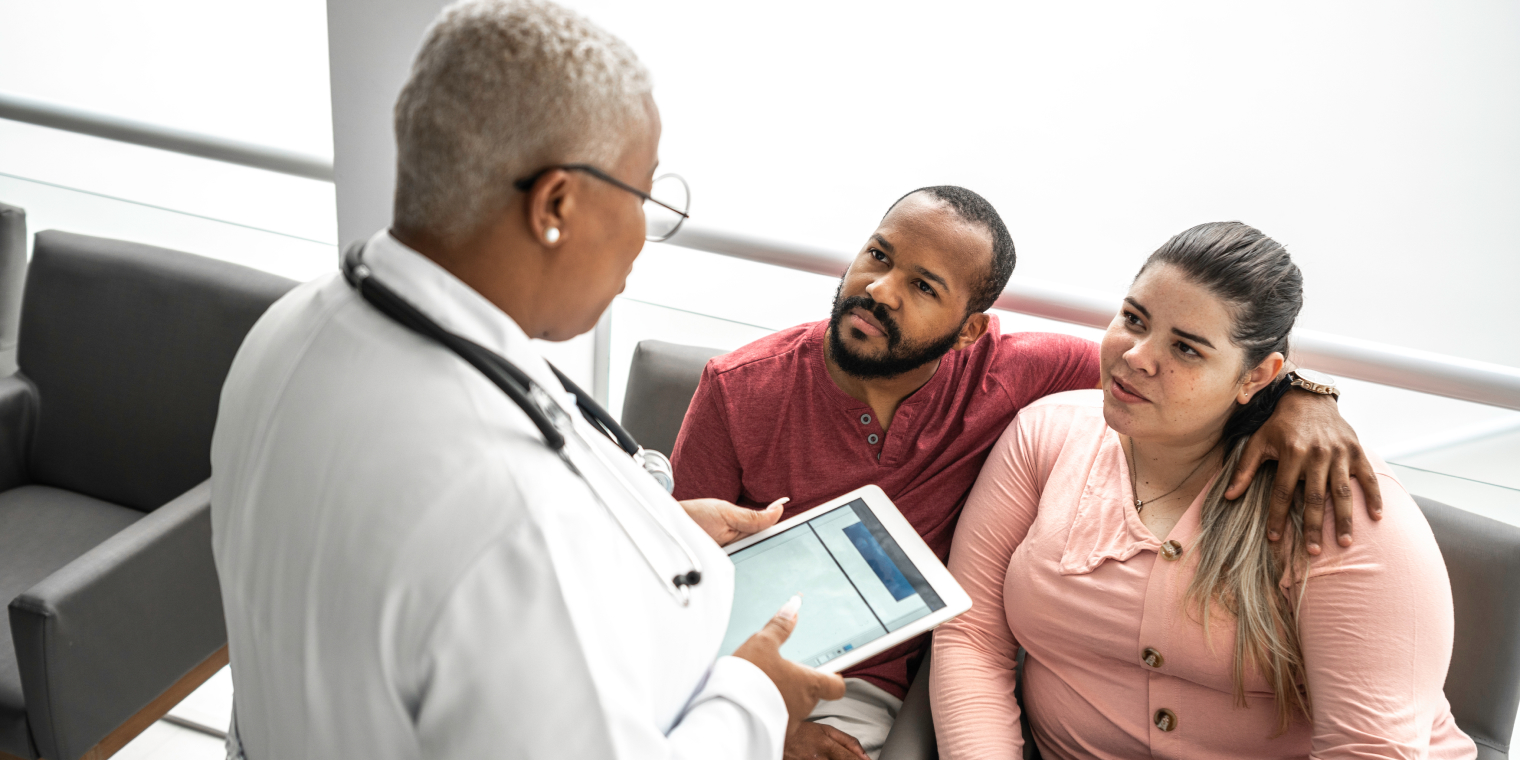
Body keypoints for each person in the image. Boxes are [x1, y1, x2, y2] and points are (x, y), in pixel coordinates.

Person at [209, 2, 843, 758]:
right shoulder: (514, 516)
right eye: (643, 194)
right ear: (556, 205)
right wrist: (755, 698)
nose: (646, 232)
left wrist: (645, 527)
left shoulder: (293, 325)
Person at [671, 190, 1381, 759]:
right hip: (718, 658)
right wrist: (768, 722)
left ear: (972, 329)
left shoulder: (1019, 374)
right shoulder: (737, 387)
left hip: (870, 696)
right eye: (877, 256)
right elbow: (666, 583)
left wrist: (1301, 399)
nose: (880, 291)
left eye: (922, 286)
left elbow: (1167, 368)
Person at [930, 222, 1475, 759]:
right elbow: (970, 637)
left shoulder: (1336, 501)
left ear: (1257, 376)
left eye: (1187, 349)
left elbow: (1368, 748)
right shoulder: (1043, 436)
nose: (1137, 355)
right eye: (1133, 318)